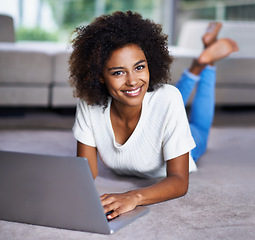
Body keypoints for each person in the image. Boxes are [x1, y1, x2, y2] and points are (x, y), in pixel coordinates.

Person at [69, 11, 238, 220]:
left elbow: (179, 180)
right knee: (164, 98)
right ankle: (199, 63)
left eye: (139, 67)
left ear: (149, 64)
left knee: (197, 124)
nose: (132, 80)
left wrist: (134, 196)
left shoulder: (165, 98)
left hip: (183, 147)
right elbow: (84, 174)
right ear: (100, 76)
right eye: (118, 72)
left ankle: (207, 64)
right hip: (160, 107)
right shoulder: (90, 105)